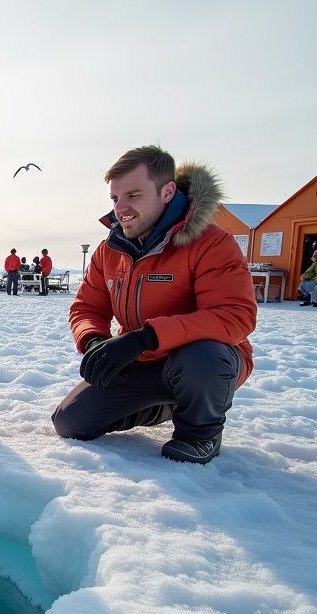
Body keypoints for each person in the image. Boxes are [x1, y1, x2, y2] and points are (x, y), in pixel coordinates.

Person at [51, 145, 257, 464]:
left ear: (167, 191)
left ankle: (199, 433)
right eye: (115, 198)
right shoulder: (109, 250)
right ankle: (167, 403)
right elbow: (86, 308)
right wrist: (93, 340)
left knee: (202, 358)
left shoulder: (212, 242)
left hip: (203, 362)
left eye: (133, 195)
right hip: (142, 359)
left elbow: (235, 317)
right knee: (71, 422)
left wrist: (145, 337)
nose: (121, 208)